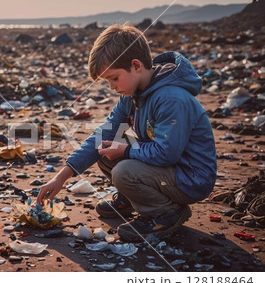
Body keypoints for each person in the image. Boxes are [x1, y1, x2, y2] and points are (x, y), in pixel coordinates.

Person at [36, 23, 217, 242]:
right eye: (107, 81)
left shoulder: (171, 98)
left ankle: (165, 212)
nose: (112, 86)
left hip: (190, 178)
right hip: (167, 168)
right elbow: (105, 133)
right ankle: (132, 200)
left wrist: (126, 150)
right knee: (104, 148)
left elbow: (166, 153)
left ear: (136, 65)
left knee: (123, 170)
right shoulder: (131, 95)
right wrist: (61, 176)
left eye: (114, 78)